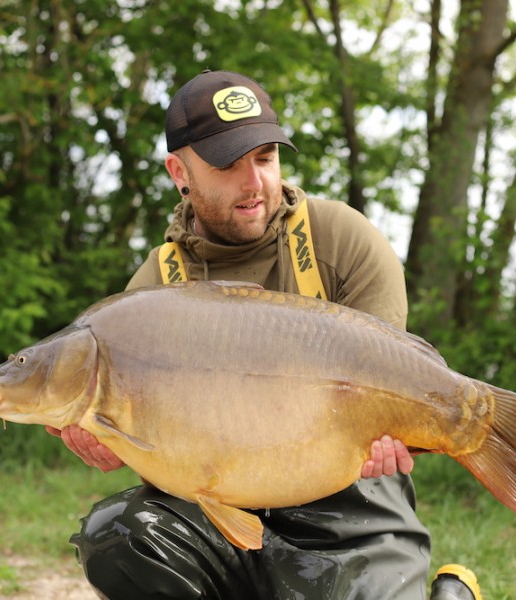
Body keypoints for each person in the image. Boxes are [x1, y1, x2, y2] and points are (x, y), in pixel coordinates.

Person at [48, 70, 435, 599]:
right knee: (118, 536)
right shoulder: (155, 287)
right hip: (217, 511)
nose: (255, 183)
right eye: (229, 166)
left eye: (265, 158)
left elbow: (396, 386)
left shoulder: (343, 241)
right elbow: (153, 441)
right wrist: (116, 442)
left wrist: (397, 434)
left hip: (350, 508)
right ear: (179, 172)